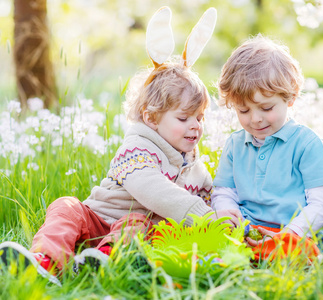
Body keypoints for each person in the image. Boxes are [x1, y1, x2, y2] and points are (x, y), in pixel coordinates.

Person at [0, 6, 241, 284]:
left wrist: (222, 215)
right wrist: (202, 216)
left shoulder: (194, 165)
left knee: (137, 223)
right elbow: (152, 189)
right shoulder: (137, 149)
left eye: (199, 117)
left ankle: (102, 261)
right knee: (66, 206)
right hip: (96, 220)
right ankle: (45, 260)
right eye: (184, 117)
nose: (195, 125)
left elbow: (209, 196)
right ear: (151, 118)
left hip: (129, 228)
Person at [212, 35, 323, 261]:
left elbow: (321, 204)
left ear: (290, 97)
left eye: (266, 107)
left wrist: (290, 233)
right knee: (205, 238)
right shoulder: (235, 144)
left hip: (296, 234)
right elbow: (224, 192)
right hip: (249, 233)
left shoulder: (307, 144)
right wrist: (229, 215)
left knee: (302, 253)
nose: (255, 119)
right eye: (243, 111)